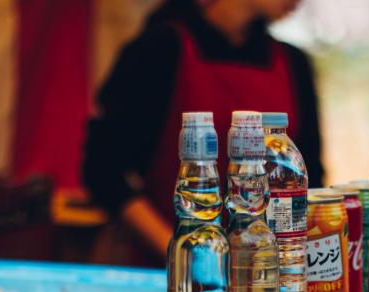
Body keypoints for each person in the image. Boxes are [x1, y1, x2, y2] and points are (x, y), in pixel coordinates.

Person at [83, 0, 324, 265]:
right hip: (167, 270)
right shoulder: (160, 48)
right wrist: (187, 255)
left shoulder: (292, 63)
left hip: (265, 276)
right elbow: (104, 171)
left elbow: (310, 178)